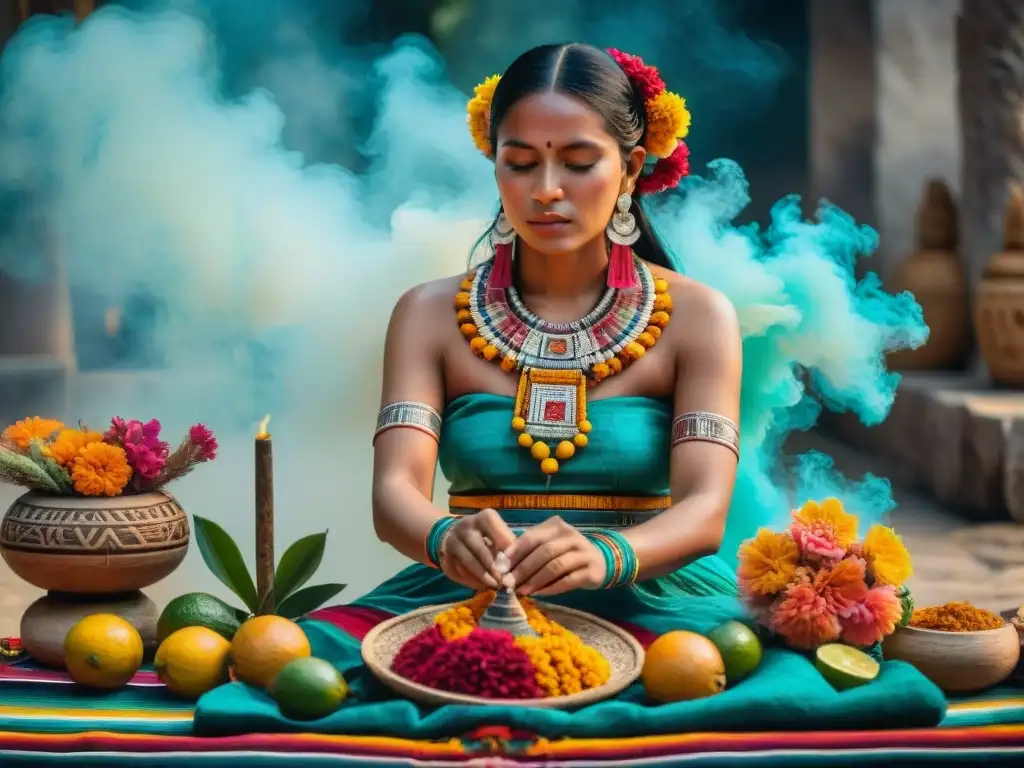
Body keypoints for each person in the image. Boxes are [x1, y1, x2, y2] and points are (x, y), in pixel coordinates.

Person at [195, 41, 945, 739]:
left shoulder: (696, 316)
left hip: (658, 602)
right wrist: (440, 537)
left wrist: (609, 558)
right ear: (494, 167)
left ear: (631, 167)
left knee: (775, 686)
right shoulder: (427, 314)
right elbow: (395, 491)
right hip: (463, 605)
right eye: (519, 162)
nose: (546, 190)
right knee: (283, 676)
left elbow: (703, 512)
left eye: (578, 161)